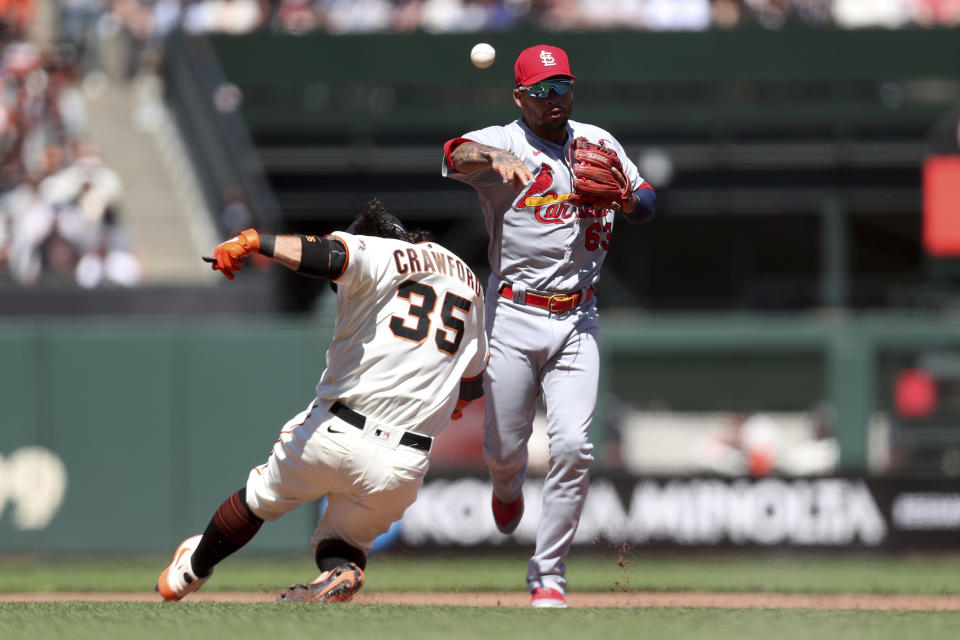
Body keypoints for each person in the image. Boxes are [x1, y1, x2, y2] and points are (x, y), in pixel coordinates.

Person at [156, 199, 488, 603]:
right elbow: (472, 381)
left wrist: (255, 240)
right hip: (405, 462)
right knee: (342, 541)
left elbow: (327, 255)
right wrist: (449, 399)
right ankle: (343, 571)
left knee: (258, 499)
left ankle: (190, 571)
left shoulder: (379, 250)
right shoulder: (469, 279)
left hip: (336, 430)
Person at [441, 44, 655, 608]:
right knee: (507, 451)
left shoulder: (599, 142)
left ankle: (548, 573)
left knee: (574, 447)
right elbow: (454, 153)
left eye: (561, 87)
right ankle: (506, 488)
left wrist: (631, 200)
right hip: (513, 314)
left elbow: (650, 200)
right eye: (541, 90)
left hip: (579, 317)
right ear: (520, 97)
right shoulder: (508, 141)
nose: (553, 98)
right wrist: (490, 158)